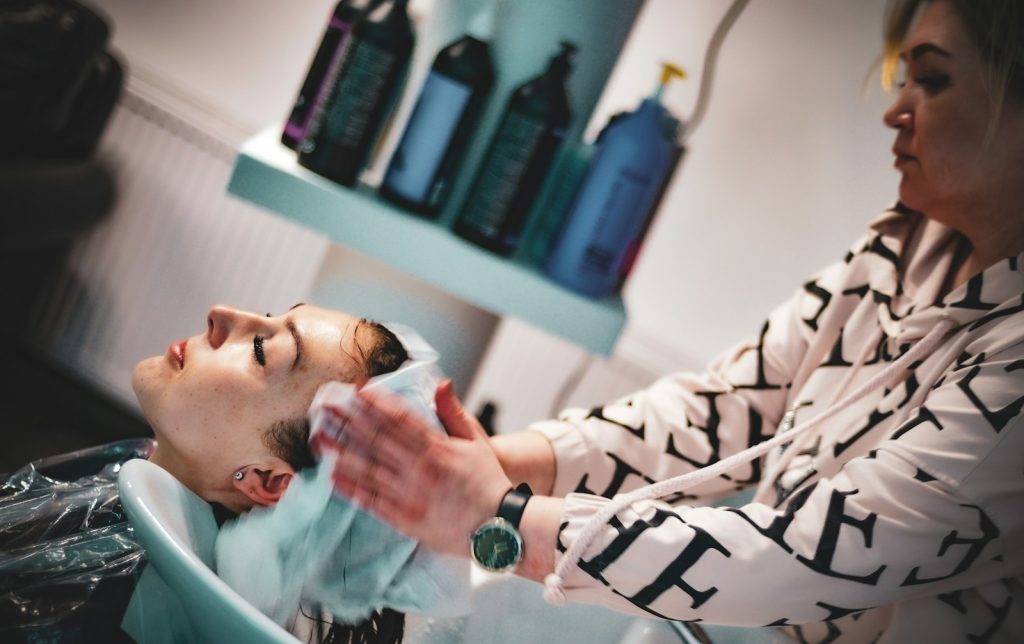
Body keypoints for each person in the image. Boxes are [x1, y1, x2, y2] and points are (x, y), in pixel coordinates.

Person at [321, 1, 1024, 641]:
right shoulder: (903, 245)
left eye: (931, 81)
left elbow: (817, 556)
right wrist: (489, 465)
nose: (895, 110)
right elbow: (717, 412)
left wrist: (496, 513)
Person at [131, 302, 410, 643]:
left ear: (267, 480)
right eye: (267, 317)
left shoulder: (127, 606)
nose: (221, 312)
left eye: (260, 350)